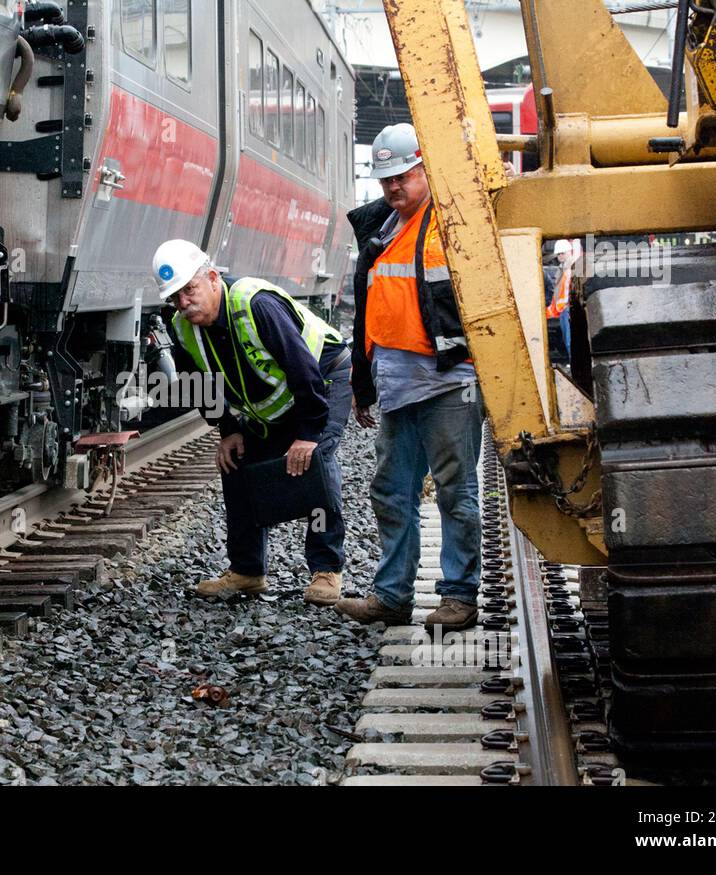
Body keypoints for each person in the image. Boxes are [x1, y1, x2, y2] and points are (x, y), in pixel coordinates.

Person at [335, 123, 484, 633]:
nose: (393, 187)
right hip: (397, 385)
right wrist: (363, 384)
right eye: (385, 181)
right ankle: (393, 595)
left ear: (425, 169)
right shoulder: (379, 231)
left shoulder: (456, 221)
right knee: (391, 491)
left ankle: (460, 596)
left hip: (449, 384)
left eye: (402, 176)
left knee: (454, 491)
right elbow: (368, 316)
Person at [152, 240, 352, 605]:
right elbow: (200, 384)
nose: (183, 303)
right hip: (277, 400)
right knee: (235, 464)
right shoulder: (183, 328)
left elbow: (301, 369)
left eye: (189, 290)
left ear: (212, 277)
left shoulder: (255, 304)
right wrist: (228, 430)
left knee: (316, 464)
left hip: (322, 380)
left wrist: (307, 434)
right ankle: (247, 571)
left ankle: (327, 569)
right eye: (174, 297)